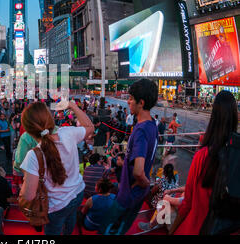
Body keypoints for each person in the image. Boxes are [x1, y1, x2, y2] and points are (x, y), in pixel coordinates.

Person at [19, 100, 94, 235]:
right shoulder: (68, 133)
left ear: (28, 131)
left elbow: (28, 196)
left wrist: (23, 187)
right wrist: (73, 106)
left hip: (56, 206)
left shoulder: (33, 156)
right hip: (77, 193)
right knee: (70, 222)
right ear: (50, 119)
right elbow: (90, 126)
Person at [169, 91, 238, 235]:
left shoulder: (203, 156)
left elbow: (188, 203)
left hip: (198, 227)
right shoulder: (236, 156)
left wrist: (172, 230)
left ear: (213, 116)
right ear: (234, 115)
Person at [101, 79, 159, 235]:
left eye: (131, 98)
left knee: (108, 230)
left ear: (141, 102)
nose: (128, 101)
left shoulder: (140, 131)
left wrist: (146, 184)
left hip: (127, 197)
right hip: (135, 196)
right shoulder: (152, 125)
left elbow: (138, 172)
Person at [138, 163, 179, 231]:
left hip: (161, 203)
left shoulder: (162, 180)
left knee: (148, 192)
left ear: (164, 172)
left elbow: (153, 191)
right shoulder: (176, 180)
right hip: (170, 201)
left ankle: (151, 222)